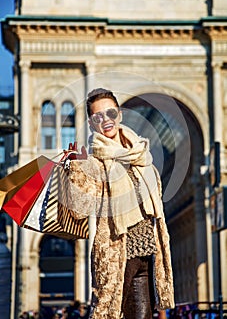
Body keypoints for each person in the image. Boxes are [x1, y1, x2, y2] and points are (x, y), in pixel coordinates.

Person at [64, 88, 174, 319]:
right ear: (92, 124)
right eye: (97, 117)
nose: (105, 120)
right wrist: (75, 170)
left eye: (110, 113)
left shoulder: (140, 152)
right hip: (116, 256)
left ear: (119, 114)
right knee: (108, 314)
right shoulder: (92, 161)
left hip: (146, 253)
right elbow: (78, 212)